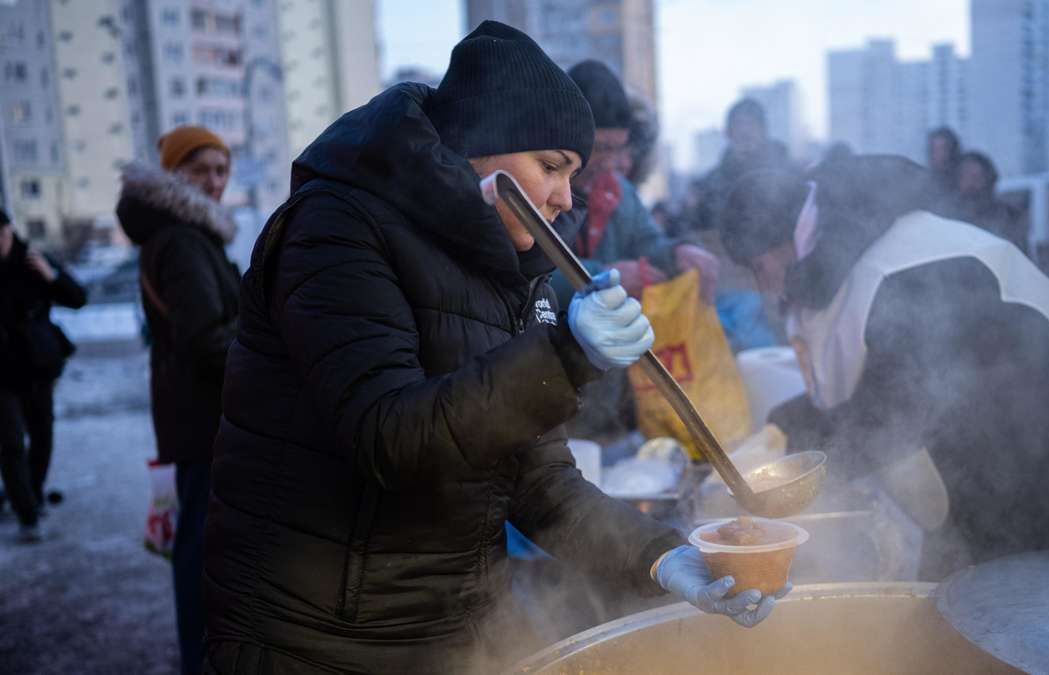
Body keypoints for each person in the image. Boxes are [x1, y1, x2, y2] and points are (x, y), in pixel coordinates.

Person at [202, 22, 786, 674]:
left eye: (574, 174)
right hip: (312, 638)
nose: (567, 197)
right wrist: (564, 357)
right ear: (484, 148)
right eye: (552, 167)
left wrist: (662, 555)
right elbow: (387, 436)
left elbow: (541, 481)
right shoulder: (336, 229)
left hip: (452, 633)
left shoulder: (510, 270)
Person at [727, 156, 1049, 581]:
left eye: (759, 267)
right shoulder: (842, 247)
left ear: (783, 241)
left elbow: (895, 412)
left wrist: (799, 456)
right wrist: (789, 425)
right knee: (954, 589)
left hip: (1038, 430)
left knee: (1019, 595)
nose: (764, 286)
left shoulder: (888, 264)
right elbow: (894, 387)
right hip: (973, 429)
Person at [116, 125, 240, 675]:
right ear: (173, 175)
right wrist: (267, 340)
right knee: (200, 549)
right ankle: (202, 661)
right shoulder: (184, 241)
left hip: (188, 416)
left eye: (221, 169)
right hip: (202, 419)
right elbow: (205, 339)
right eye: (200, 169)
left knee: (198, 543)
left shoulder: (180, 235)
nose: (214, 181)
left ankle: (203, 655)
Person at [555, 59, 718, 306]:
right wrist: (600, 276)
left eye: (618, 149)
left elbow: (646, 242)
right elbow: (528, 274)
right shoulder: (540, 191)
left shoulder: (618, 191)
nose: (611, 164)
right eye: (600, 148)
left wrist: (676, 254)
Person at [0, 208, 87, 542]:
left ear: (10, 229)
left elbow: (79, 298)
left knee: (42, 436)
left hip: (37, 366)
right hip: (2, 375)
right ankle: (27, 514)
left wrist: (52, 277)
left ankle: (33, 493)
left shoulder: (34, 262)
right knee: (10, 443)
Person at [686, 98, 794, 237]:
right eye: (739, 124)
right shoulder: (709, 185)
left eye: (752, 124)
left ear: (764, 130)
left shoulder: (787, 175)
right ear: (728, 132)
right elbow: (699, 228)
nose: (745, 131)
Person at [951, 150, 1028, 254]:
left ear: (989, 180)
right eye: (965, 177)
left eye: (976, 177)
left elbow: (1018, 255)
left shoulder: (1009, 216)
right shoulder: (949, 217)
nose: (971, 184)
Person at [926, 126, 961, 198]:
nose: (940, 154)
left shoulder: (963, 178)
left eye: (943, 148)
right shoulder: (924, 180)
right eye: (935, 149)